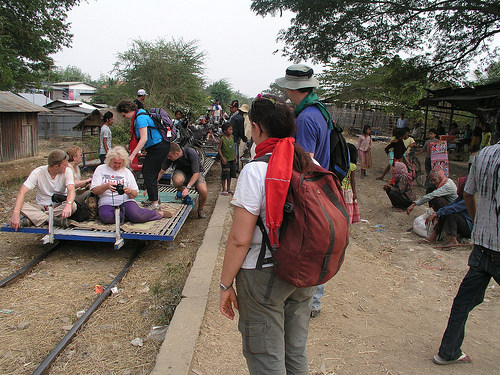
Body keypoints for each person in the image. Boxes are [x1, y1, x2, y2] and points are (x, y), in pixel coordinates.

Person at [219, 94, 316, 375]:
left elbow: (240, 239)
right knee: (295, 350)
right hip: (304, 270)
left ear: (257, 128)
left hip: (263, 276)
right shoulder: (309, 161)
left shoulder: (255, 171)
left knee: (265, 356)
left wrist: (225, 286)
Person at [433, 141, 500, 365]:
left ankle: (448, 351)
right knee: (465, 299)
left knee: (463, 300)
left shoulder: (483, 155)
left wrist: (480, 223)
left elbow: (468, 195)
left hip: (482, 243)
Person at [276, 64, 331, 317]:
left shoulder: (307, 117)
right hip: (320, 187)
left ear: (290, 89)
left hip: (309, 189)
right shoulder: (318, 111)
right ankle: (312, 298)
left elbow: (305, 160)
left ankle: (311, 301)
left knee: (308, 242)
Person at [90, 146, 172, 224]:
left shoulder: (126, 172)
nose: (117, 165)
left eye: (119, 163)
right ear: (109, 160)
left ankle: (157, 214)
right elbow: (94, 190)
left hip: (125, 200)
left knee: (137, 216)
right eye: (114, 163)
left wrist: (129, 191)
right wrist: (106, 186)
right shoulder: (100, 169)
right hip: (106, 201)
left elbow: (135, 193)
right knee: (106, 218)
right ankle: (131, 216)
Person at [117, 99, 170, 210]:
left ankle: (155, 203)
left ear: (127, 110)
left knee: (149, 173)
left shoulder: (140, 118)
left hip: (158, 147)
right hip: (156, 147)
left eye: (124, 115)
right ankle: (153, 198)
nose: (124, 117)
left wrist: (132, 155)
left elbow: (144, 138)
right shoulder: (140, 115)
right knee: (148, 172)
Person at [10, 150, 76, 229]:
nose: (67, 166)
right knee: (20, 206)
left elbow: (71, 189)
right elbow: (22, 191)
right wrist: (16, 213)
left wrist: (68, 204)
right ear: (56, 166)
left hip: (57, 207)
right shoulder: (38, 172)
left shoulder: (67, 171)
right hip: (41, 207)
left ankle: (37, 218)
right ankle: (51, 220)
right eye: (65, 164)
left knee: (73, 205)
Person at [419, 176, 472, 248]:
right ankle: (433, 238)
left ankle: (453, 241)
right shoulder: (461, 198)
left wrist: (437, 213)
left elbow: (454, 208)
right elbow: (450, 206)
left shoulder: (469, 199)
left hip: (470, 228)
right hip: (464, 224)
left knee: (453, 215)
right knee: (444, 212)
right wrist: (437, 213)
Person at [159, 143, 208, 219]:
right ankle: (180, 190)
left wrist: (188, 188)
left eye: (170, 156)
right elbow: (161, 171)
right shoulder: (170, 156)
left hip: (194, 174)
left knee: (203, 190)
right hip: (182, 172)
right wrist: (152, 183)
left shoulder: (191, 152)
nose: (168, 158)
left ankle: (200, 209)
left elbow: (196, 174)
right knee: (177, 180)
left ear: (177, 153)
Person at [228, 100, 248, 172]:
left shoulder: (235, 116)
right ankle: (235, 169)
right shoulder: (240, 118)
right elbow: (241, 130)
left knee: (232, 152)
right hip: (234, 137)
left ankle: (233, 168)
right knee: (235, 153)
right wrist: (244, 138)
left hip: (231, 136)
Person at [343, 144, 360, 224]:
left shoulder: (342, 165)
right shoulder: (352, 166)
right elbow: (352, 180)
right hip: (348, 190)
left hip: (341, 188)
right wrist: (354, 192)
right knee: (348, 207)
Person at [218, 122, 236, 195]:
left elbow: (233, 148)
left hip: (231, 158)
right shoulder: (222, 139)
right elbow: (219, 149)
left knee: (230, 175)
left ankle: (229, 188)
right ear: (225, 131)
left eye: (232, 129)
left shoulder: (232, 137)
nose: (231, 131)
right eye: (230, 129)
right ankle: (224, 189)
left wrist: (234, 156)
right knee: (225, 174)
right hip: (226, 159)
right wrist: (222, 158)